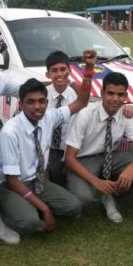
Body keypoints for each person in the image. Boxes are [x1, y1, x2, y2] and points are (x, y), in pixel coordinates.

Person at [0, 50, 95, 244]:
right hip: (10, 186)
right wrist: (46, 209)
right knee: (30, 223)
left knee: (74, 208)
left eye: (41, 101)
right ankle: (1, 215)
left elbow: (81, 101)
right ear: (21, 105)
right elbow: (13, 181)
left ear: (47, 103)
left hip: (38, 181)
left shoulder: (49, 116)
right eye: (30, 102)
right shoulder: (10, 132)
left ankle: (32, 206)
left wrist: (88, 69)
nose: (37, 106)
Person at [66, 72, 133, 223]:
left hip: (109, 157)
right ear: (102, 93)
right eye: (110, 93)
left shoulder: (125, 114)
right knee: (84, 198)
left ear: (126, 96)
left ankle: (111, 197)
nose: (115, 99)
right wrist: (96, 182)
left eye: (120, 95)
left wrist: (130, 170)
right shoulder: (86, 114)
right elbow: (69, 158)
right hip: (83, 160)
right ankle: (79, 189)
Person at [44, 51, 78, 186]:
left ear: (69, 71)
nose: (59, 74)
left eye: (63, 69)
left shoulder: (76, 97)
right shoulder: (42, 95)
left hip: (68, 150)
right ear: (48, 74)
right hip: (47, 147)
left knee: (66, 182)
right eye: (54, 70)